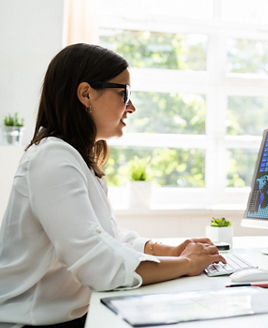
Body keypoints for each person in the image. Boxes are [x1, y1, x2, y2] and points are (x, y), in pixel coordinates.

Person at [0, 43, 225, 328]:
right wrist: (186, 265)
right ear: (86, 94)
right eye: (124, 93)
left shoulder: (75, 159)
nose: (131, 107)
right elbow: (97, 264)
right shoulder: (52, 159)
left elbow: (110, 238)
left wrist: (171, 250)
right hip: (30, 322)